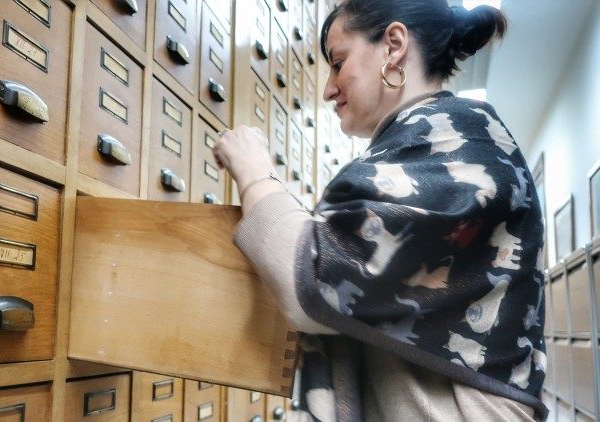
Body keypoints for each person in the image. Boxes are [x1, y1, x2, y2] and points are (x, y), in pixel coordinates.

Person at [212, 0, 547, 420]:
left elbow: (312, 276)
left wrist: (254, 170)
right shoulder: (433, 142)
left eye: (338, 62)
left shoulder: (460, 144)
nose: (328, 89)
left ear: (393, 46)